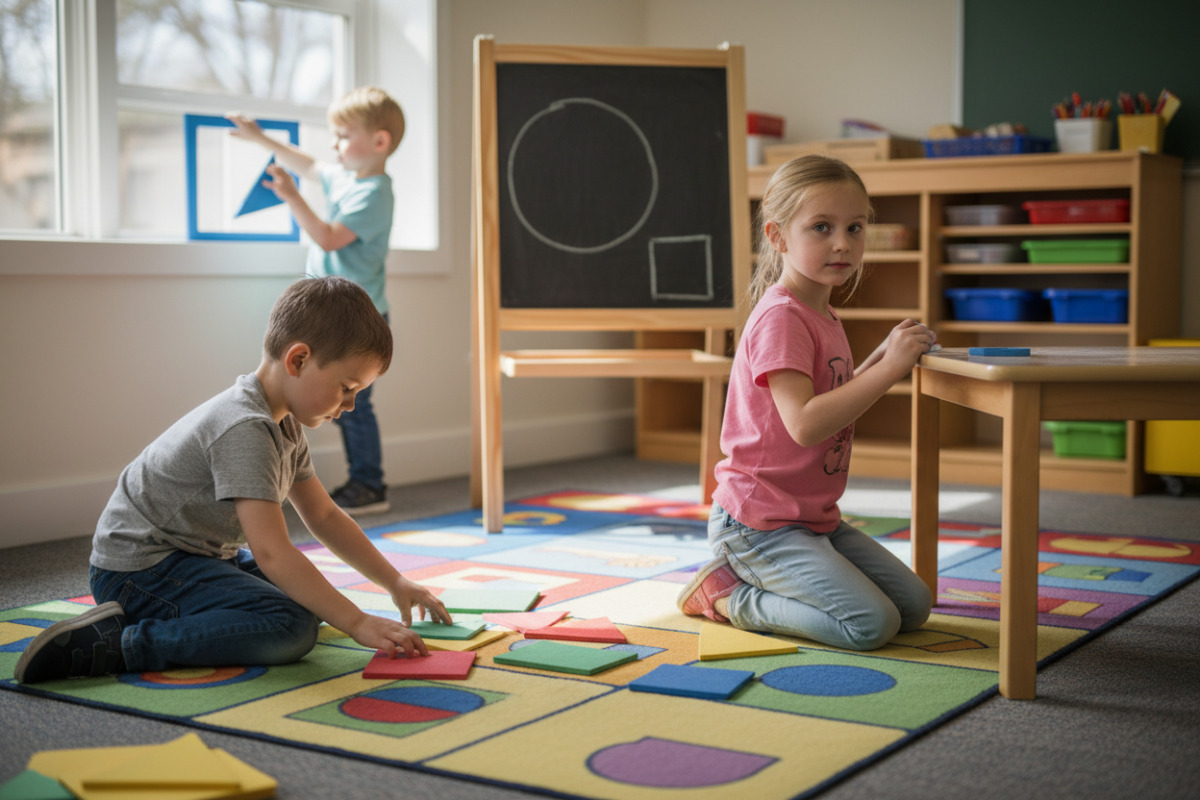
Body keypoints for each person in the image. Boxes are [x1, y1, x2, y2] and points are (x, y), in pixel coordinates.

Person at [15, 276, 452, 685]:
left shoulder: (284, 423)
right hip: (139, 569)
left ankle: (153, 620)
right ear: (298, 359)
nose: (352, 404)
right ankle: (119, 643)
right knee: (291, 627)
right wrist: (357, 623)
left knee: (310, 599)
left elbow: (323, 514)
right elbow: (273, 553)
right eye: (347, 387)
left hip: (192, 557)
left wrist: (395, 582)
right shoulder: (243, 427)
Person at [677, 155, 935, 651]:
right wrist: (890, 369)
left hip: (815, 520)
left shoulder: (823, 313)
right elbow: (805, 424)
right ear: (778, 237)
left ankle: (767, 583)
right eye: (821, 227)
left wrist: (880, 358)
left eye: (855, 227)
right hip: (758, 526)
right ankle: (728, 597)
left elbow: (826, 399)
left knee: (913, 607)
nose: (843, 243)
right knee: (870, 625)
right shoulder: (782, 317)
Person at [226, 86, 404, 515]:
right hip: (328, 313)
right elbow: (306, 163)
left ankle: (368, 483)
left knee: (353, 404)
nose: (335, 144)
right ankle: (284, 479)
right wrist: (261, 139)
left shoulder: (375, 193)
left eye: (343, 135)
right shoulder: (344, 176)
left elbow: (328, 236)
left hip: (359, 318)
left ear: (379, 142)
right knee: (297, 390)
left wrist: (292, 197)